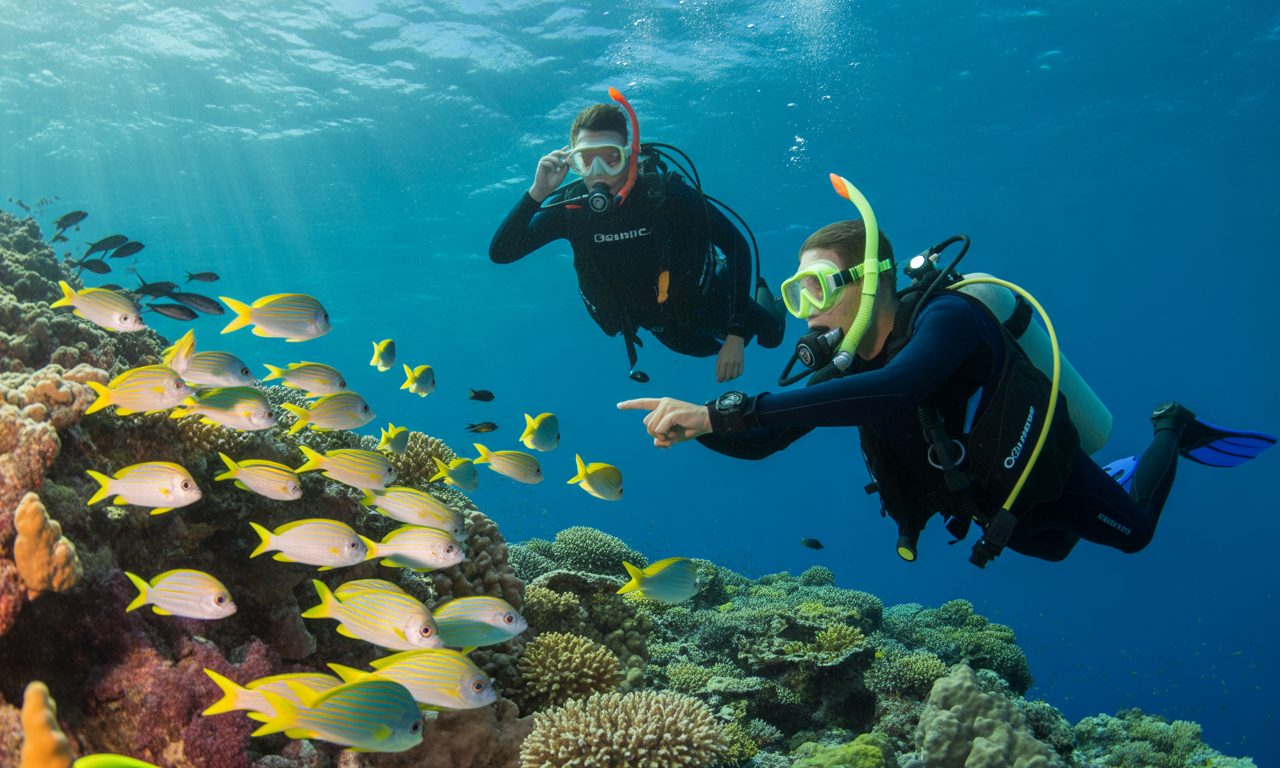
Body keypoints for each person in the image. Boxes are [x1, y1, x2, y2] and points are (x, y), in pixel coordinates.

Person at [618, 219, 1275, 566]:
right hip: (992, 494)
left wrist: (724, 409)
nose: (803, 312)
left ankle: (1171, 427)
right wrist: (699, 429)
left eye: (815, 289)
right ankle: (1116, 474)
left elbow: (900, 388)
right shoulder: (845, 368)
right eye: (795, 295)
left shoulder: (950, 319)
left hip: (1044, 466)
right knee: (1051, 547)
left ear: (869, 280)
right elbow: (765, 441)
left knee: (1132, 535)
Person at [489, 101, 785, 383]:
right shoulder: (571, 209)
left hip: (710, 301)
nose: (599, 173)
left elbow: (736, 245)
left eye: (611, 158)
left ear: (629, 155)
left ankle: (765, 298)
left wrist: (735, 334)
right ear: (573, 162)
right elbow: (501, 254)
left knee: (770, 337)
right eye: (587, 161)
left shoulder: (665, 195)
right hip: (663, 326)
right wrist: (536, 193)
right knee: (703, 350)